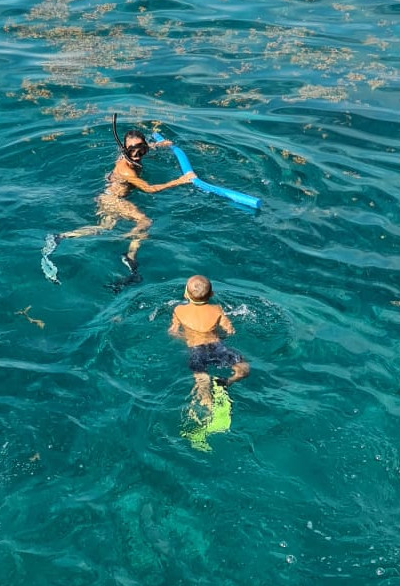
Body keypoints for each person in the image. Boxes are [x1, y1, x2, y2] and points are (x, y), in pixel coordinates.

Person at [44, 125, 193, 278]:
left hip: (107, 197)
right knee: (145, 222)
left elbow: (139, 148)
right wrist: (179, 181)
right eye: (132, 151)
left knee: (104, 227)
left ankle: (61, 236)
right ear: (124, 150)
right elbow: (149, 189)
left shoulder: (131, 154)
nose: (136, 155)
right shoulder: (126, 170)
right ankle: (130, 254)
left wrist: (158, 145)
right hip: (113, 199)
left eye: (141, 150)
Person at [171, 274, 248, 450]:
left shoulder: (178, 310)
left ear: (185, 294)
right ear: (212, 294)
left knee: (202, 382)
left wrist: (187, 337)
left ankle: (205, 415)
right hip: (217, 347)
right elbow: (231, 331)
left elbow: (173, 332)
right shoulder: (217, 309)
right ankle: (227, 382)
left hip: (196, 350)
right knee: (243, 368)